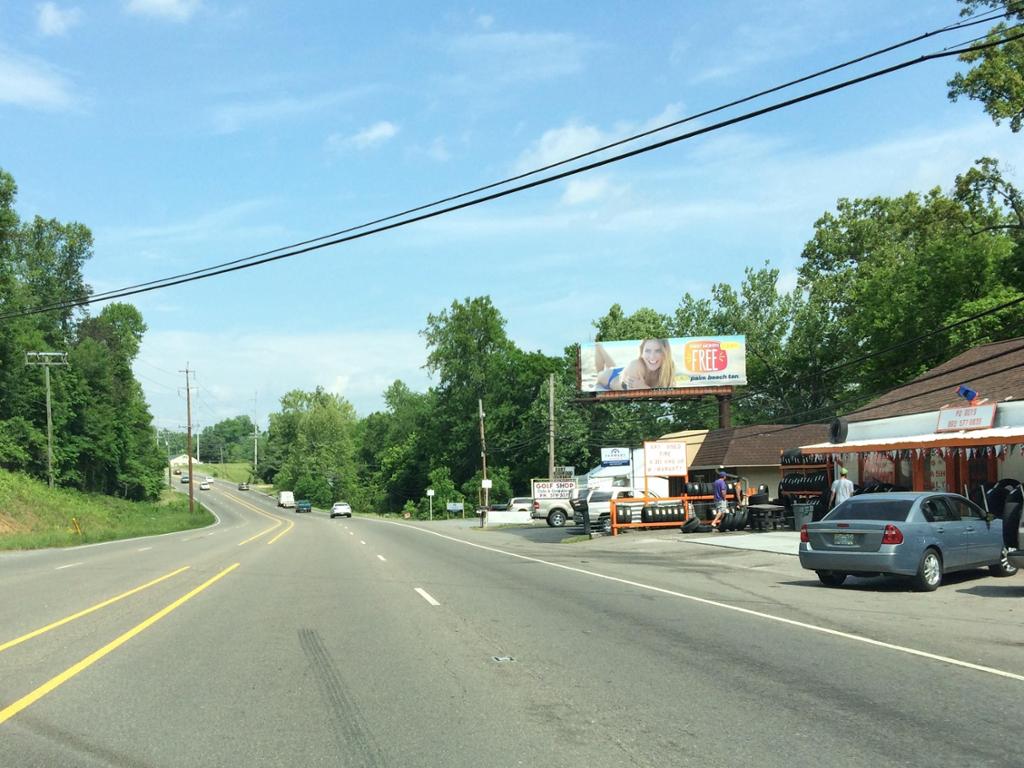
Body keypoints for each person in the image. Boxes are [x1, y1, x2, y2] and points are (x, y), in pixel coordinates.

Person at [595, 338, 676, 390]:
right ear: (642, 352)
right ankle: (598, 347)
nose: (652, 357)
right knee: (599, 375)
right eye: (647, 351)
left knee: (613, 367)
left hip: (623, 371)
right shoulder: (636, 365)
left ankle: (599, 347)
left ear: (666, 353)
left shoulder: (669, 366)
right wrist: (646, 388)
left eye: (658, 351)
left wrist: (645, 387)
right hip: (611, 379)